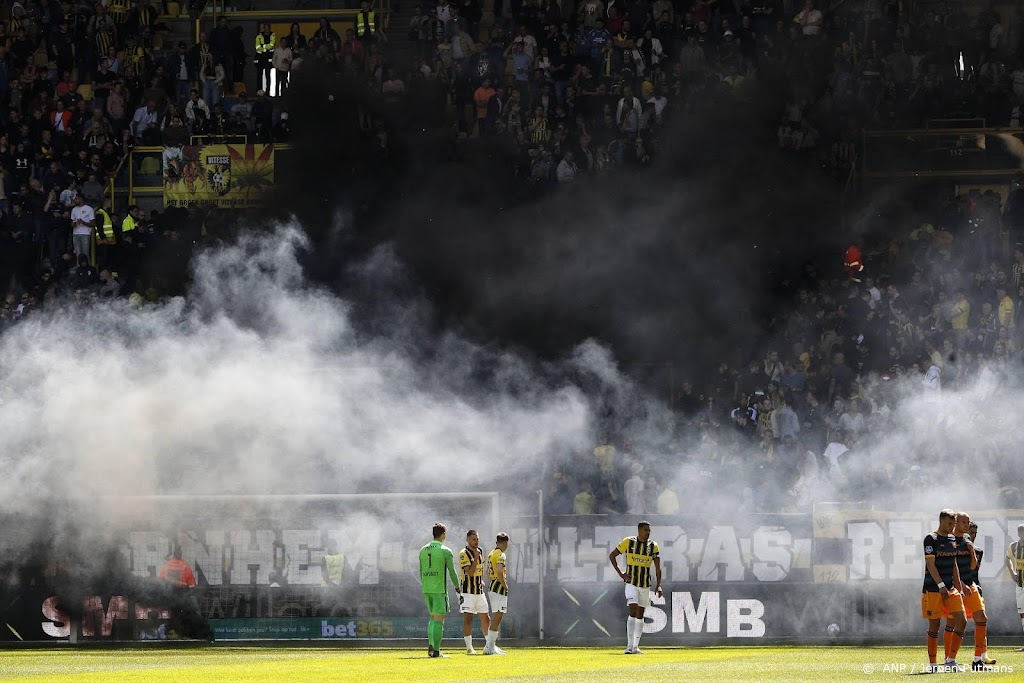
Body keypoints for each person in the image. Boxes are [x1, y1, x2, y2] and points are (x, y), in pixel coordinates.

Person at [922, 509, 967, 673]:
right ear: (941, 520)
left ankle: (950, 661)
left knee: (961, 621)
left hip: (952, 588)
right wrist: (941, 585)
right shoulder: (931, 539)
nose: (951, 527)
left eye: (953, 524)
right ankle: (933, 665)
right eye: (949, 523)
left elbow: (954, 564)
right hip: (934, 589)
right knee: (934, 625)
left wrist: (959, 586)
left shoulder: (952, 538)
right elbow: (930, 565)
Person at [608, 520, 663, 654]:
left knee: (640, 614)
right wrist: (621, 573)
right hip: (631, 582)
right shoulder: (628, 542)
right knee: (633, 609)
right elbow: (612, 555)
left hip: (645, 584)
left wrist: (659, 585)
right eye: (645, 530)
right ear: (639, 530)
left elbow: (657, 567)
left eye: (649, 530)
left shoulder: (653, 546)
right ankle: (628, 646)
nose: (648, 533)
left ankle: (635, 646)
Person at [419, 522, 460, 658]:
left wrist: (425, 585)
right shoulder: (445, 550)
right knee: (439, 619)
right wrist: (457, 587)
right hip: (439, 589)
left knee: (432, 617)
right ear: (443, 534)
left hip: (426, 588)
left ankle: (431, 645)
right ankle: (436, 651)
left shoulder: (423, 550)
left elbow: (421, 570)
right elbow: (452, 572)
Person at [962, 520, 996, 669]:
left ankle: (982, 655)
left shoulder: (979, 551)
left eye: (975, 533)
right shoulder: (957, 548)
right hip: (958, 587)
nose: (973, 535)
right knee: (954, 622)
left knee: (981, 618)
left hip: (973, 586)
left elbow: (974, 572)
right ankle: (949, 657)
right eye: (971, 532)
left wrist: (977, 586)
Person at [458, 529, 491, 654]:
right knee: (468, 618)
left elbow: (480, 568)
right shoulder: (463, 553)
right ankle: (469, 647)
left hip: (479, 590)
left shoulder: (481, 550)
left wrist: (481, 579)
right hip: (467, 592)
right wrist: (476, 557)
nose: (476, 541)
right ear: (467, 540)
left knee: (486, 617)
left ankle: (489, 644)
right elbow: (470, 572)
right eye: (473, 539)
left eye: (477, 539)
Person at [485, 532, 510, 655]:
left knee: (497, 615)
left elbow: (487, 572)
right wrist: (504, 584)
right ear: (506, 543)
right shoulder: (501, 554)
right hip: (498, 586)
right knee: (498, 616)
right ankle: (490, 646)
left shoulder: (491, 553)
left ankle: (490, 645)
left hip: (492, 585)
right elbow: (500, 571)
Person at [1006, 523, 1024, 649]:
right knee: (1022, 614)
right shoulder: (1013, 547)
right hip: (1020, 585)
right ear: (1019, 533)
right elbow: (1007, 559)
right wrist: (1012, 573)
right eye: (1022, 532)